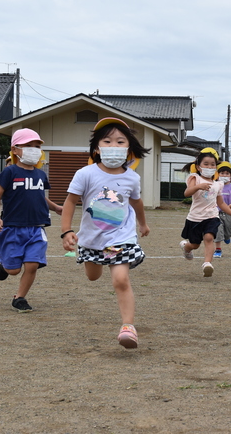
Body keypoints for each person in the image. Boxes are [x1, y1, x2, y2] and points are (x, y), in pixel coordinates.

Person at [60, 117, 151, 349]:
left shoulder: (132, 177)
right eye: (107, 141)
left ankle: (128, 327)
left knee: (120, 279)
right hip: (91, 239)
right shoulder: (85, 174)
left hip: (121, 238)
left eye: (120, 141)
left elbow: (137, 203)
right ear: (97, 148)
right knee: (93, 276)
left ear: (129, 149)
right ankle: (94, 263)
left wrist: (142, 224)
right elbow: (70, 202)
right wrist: (66, 231)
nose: (113, 146)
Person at [0, 129, 63, 312]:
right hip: (13, 228)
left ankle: (20, 298)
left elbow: (39, 196)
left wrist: (55, 207)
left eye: (37, 146)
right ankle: (5, 265)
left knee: (32, 265)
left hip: (37, 228)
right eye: (28, 146)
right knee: (14, 270)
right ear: (15, 149)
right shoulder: (10, 172)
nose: (34, 149)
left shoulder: (40, 175)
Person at [180, 148, 231, 277]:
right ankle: (186, 248)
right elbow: (187, 193)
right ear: (199, 166)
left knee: (209, 238)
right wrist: (198, 186)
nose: (210, 167)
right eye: (206, 164)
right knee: (195, 244)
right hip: (195, 218)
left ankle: (207, 264)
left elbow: (220, 203)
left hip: (211, 216)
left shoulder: (218, 184)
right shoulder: (195, 178)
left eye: (212, 164)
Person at [213, 161, 231, 258]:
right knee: (218, 231)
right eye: (222, 173)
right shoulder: (215, 185)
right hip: (216, 213)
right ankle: (218, 249)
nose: (224, 175)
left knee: (227, 231)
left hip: (229, 213)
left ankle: (227, 237)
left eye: (227, 174)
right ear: (218, 174)